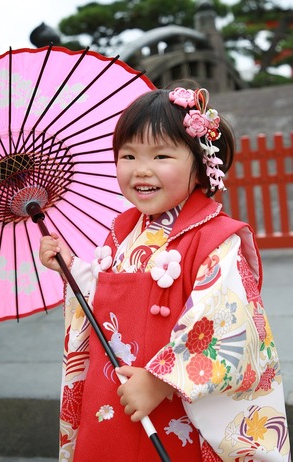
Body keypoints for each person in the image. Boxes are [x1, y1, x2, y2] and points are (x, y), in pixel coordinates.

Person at [39, 82, 291, 461]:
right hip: (114, 394)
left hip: (174, 402)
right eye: (128, 156)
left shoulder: (216, 240)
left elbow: (229, 324)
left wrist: (159, 381)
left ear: (202, 163)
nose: (141, 170)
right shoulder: (121, 232)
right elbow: (99, 302)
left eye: (160, 156)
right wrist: (70, 268)